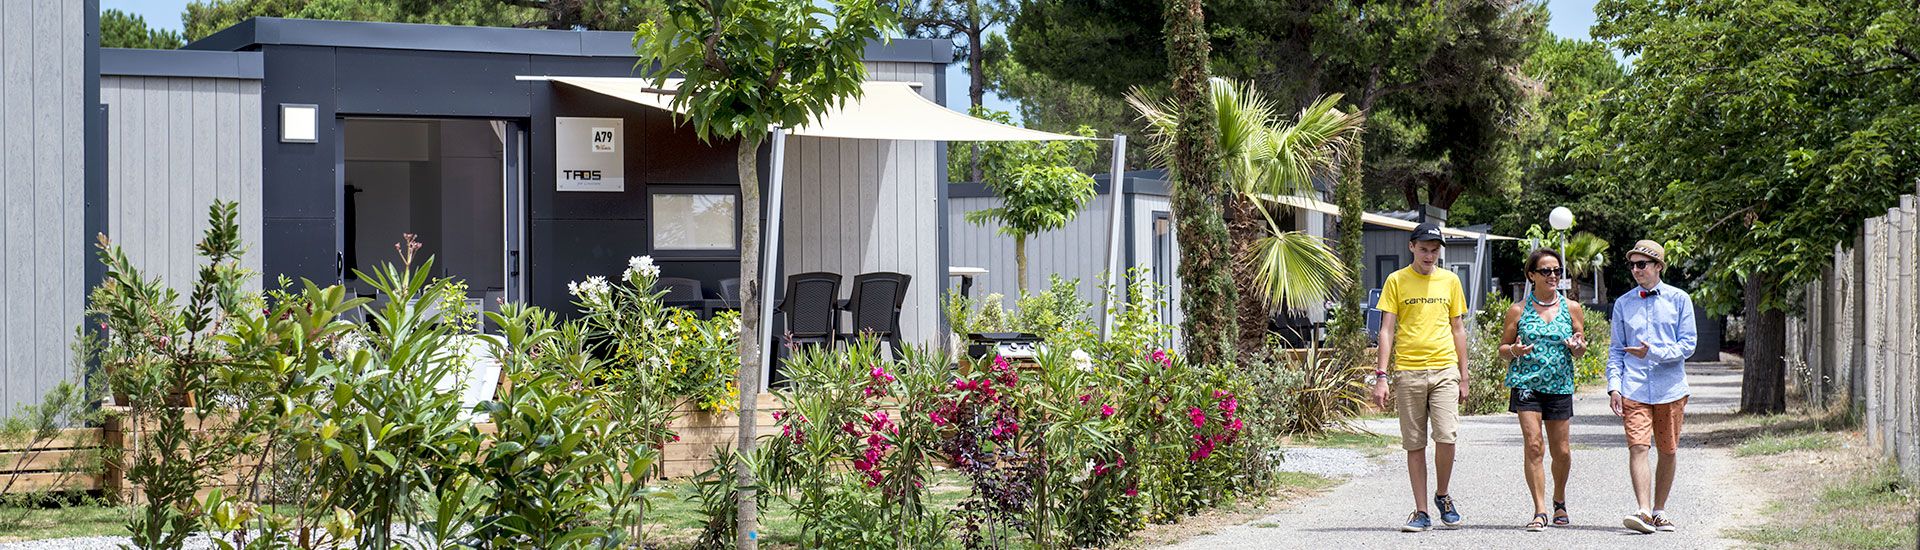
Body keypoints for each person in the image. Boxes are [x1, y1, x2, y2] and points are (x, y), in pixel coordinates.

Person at [1370, 222, 1471, 533]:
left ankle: (1442, 494)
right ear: (1412, 247)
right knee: (1414, 444)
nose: (1429, 255)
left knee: (1446, 436)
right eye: (1424, 249)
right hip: (1408, 371)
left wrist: (1464, 375)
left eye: (1435, 250)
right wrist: (1382, 376)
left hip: (1444, 369)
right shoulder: (1396, 280)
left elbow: (1458, 329)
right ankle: (1422, 510)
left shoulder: (1450, 281)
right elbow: (1386, 330)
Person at [1606, 239, 1697, 534]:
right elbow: (1617, 350)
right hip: (1634, 387)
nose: (1636, 270)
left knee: (1668, 450)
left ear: (1658, 266)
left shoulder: (1680, 299)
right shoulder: (1623, 303)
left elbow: (1688, 345)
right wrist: (1614, 387)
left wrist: (1654, 352)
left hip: (1670, 388)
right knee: (1638, 447)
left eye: (1642, 264)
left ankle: (1660, 510)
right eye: (1632, 265)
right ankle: (1643, 511)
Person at [1498, 248, 1587, 531]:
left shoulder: (1572, 308)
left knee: (1561, 451)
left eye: (1557, 271)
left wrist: (1578, 347)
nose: (1553, 276)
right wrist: (1514, 349)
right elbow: (1502, 349)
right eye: (1546, 271)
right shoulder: (1518, 310)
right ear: (1531, 275)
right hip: (1526, 384)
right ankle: (1540, 509)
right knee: (1534, 445)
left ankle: (1559, 499)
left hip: (1559, 384)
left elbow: (1580, 347)